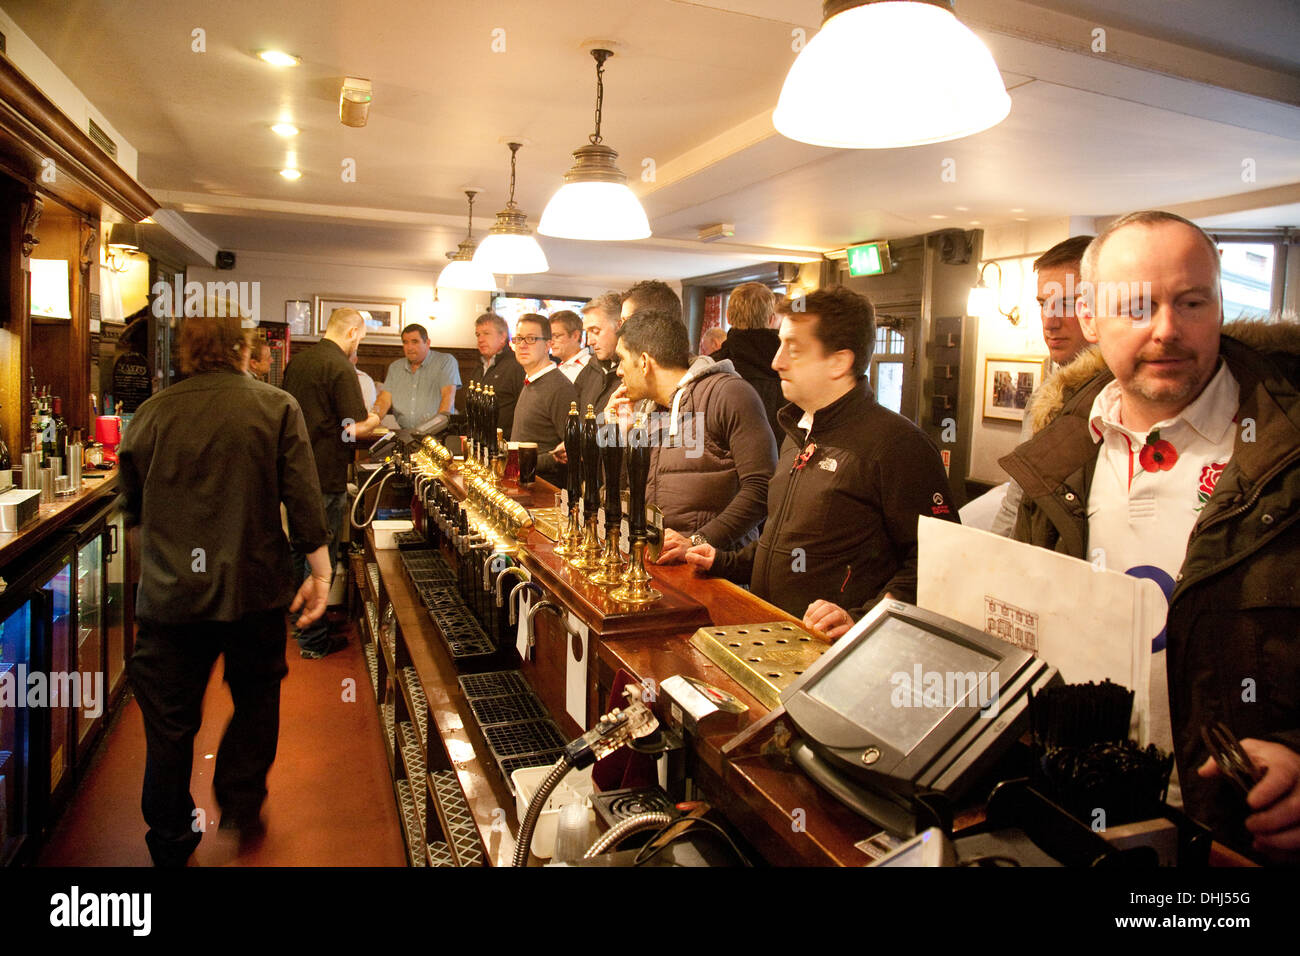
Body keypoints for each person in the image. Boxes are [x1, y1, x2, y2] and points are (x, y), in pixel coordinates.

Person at [1000, 210, 1300, 862]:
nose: (1167, 329)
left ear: (1220, 306)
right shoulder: (1055, 458)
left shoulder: (1288, 452)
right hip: (1080, 816)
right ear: (1089, 318)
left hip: (1238, 841)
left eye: (1192, 302)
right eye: (1136, 306)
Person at [119, 310, 332, 866]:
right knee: (258, 700)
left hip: (171, 597)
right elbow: (303, 499)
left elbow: (132, 506)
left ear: (184, 353)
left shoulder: (151, 413)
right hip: (253, 590)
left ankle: (169, 838)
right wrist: (321, 573)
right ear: (243, 351)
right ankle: (240, 804)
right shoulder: (275, 406)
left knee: (169, 726)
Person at [685, 287, 958, 637]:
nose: (777, 361)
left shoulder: (898, 445)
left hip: (838, 657)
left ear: (839, 362)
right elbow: (782, 539)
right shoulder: (798, 431)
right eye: (780, 343)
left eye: (794, 349)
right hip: (771, 634)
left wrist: (862, 619)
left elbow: (935, 561)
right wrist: (723, 562)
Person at [607, 308, 776, 562]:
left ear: (644, 362)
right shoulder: (648, 409)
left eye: (621, 359)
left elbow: (763, 487)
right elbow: (622, 494)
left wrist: (698, 541)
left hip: (717, 573)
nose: (619, 371)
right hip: (659, 565)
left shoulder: (728, 393)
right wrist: (619, 436)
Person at [282, 308, 382, 658]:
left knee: (299, 548)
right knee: (321, 552)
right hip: (325, 472)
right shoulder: (340, 366)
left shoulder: (298, 362)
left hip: (294, 472)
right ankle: (313, 638)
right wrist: (377, 415)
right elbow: (352, 428)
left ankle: (303, 623)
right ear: (354, 332)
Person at [989, 235, 1095, 536]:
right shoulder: (1045, 396)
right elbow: (1018, 498)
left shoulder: (1124, 398)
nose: (1049, 321)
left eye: (1067, 303)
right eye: (1043, 304)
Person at [711, 282, 784, 439]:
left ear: (728, 316)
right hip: (782, 459)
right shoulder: (789, 367)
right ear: (771, 319)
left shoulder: (711, 366)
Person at [510, 313, 577, 481]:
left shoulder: (560, 388)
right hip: (522, 485)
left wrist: (531, 462)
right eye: (518, 339)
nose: (523, 345)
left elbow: (573, 450)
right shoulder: (531, 381)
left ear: (548, 344)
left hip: (544, 493)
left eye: (531, 339)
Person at [372, 323, 460, 428]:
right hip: (404, 432)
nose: (409, 347)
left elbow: (448, 398)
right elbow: (384, 400)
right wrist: (373, 421)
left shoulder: (445, 361)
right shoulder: (395, 367)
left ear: (427, 343)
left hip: (438, 432)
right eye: (405, 342)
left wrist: (436, 428)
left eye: (415, 342)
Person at [467, 312, 526, 439]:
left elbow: (524, 412)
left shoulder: (516, 366)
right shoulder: (478, 368)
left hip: (505, 443)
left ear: (502, 336)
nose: (480, 339)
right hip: (478, 441)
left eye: (486, 333)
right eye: (478, 335)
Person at [549, 308, 605, 412]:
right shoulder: (557, 367)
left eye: (556, 336)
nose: (551, 342)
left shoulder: (590, 367)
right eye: (549, 337)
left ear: (575, 336)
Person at [582, 293, 625, 421]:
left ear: (619, 326)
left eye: (595, 331)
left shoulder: (634, 374)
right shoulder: (591, 367)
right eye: (587, 332)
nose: (589, 341)